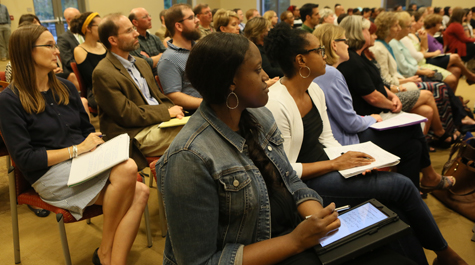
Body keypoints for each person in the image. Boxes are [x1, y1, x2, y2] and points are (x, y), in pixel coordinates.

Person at [156, 31, 416, 265]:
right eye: (257, 70)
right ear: (230, 83)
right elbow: (199, 262)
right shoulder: (189, 158)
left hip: (291, 233)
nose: (267, 76)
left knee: (394, 226)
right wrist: (296, 241)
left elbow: (290, 181)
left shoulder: (259, 118)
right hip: (270, 248)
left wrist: (319, 219)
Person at [264, 23, 467, 265]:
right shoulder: (276, 103)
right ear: (301, 60)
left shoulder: (314, 89)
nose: (324, 55)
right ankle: (446, 254)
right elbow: (285, 170)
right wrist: (336, 164)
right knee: (400, 186)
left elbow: (327, 139)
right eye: (318, 50)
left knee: (395, 208)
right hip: (304, 186)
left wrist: (352, 162)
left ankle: (432, 258)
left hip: (329, 165)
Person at [0, 24, 149, 265]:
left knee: (140, 190)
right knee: (130, 171)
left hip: (83, 163)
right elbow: (26, 159)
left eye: (55, 44)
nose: (56, 51)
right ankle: (105, 253)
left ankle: (110, 258)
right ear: (28, 52)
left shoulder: (66, 88)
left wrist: (98, 146)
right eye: (49, 45)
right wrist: (77, 150)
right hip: (49, 175)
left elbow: (86, 132)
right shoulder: (10, 100)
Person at [313, 23, 453, 193]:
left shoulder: (329, 71)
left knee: (413, 147)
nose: (348, 45)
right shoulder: (331, 74)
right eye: (345, 41)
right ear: (334, 45)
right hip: (346, 141)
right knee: (414, 127)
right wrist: (372, 118)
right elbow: (350, 123)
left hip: (346, 134)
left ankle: (414, 191)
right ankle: (429, 178)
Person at [94, 13, 184, 170]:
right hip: (133, 134)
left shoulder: (141, 63)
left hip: (158, 123)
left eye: (133, 28)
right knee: (194, 135)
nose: (136, 33)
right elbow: (127, 115)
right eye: (129, 31)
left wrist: (175, 112)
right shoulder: (103, 72)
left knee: (203, 125)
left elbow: (159, 97)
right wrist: (167, 112)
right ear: (113, 40)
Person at [389, 12, 459, 90]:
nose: (413, 25)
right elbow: (415, 59)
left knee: (455, 70)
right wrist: (423, 69)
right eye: (409, 25)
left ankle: (456, 99)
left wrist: (424, 39)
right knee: (446, 81)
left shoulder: (405, 38)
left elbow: (423, 51)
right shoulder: (398, 41)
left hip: (419, 65)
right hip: (416, 68)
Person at [402, 12, 475, 86]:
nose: (441, 25)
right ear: (434, 24)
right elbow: (420, 55)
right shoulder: (411, 37)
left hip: (431, 59)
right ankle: (470, 76)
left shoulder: (419, 35)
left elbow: (425, 49)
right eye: (439, 23)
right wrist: (435, 53)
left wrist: (424, 43)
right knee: (455, 56)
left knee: (457, 70)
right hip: (427, 61)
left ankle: (452, 96)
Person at [156, 4, 203, 111]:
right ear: (179, 26)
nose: (197, 20)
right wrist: (209, 104)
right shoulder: (169, 59)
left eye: (195, 16)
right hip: (197, 113)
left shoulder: (200, 49)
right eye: (191, 18)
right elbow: (173, 96)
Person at [71, 12, 106, 111]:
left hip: (112, 86)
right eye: (100, 26)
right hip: (97, 92)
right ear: (88, 28)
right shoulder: (80, 50)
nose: (103, 29)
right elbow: (93, 78)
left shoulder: (103, 46)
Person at [128, 7, 167, 75]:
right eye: (145, 17)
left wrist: (152, 59)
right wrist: (161, 55)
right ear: (135, 22)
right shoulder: (133, 42)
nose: (150, 18)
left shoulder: (155, 38)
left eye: (149, 16)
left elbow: (168, 56)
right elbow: (146, 64)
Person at [57, 7, 82, 75]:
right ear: (68, 20)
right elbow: (68, 62)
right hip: (76, 73)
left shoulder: (86, 34)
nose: (81, 20)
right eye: (77, 18)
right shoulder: (63, 38)